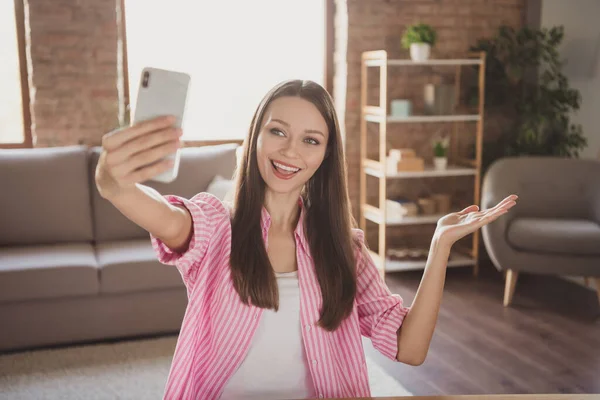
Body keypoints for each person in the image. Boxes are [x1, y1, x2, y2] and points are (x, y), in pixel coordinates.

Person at [95, 79, 517, 400]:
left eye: (311, 140)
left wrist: (440, 247)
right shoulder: (214, 225)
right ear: (256, 135)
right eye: (277, 132)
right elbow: (163, 216)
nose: (291, 152)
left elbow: (409, 349)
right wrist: (115, 184)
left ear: (325, 155)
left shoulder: (344, 250)